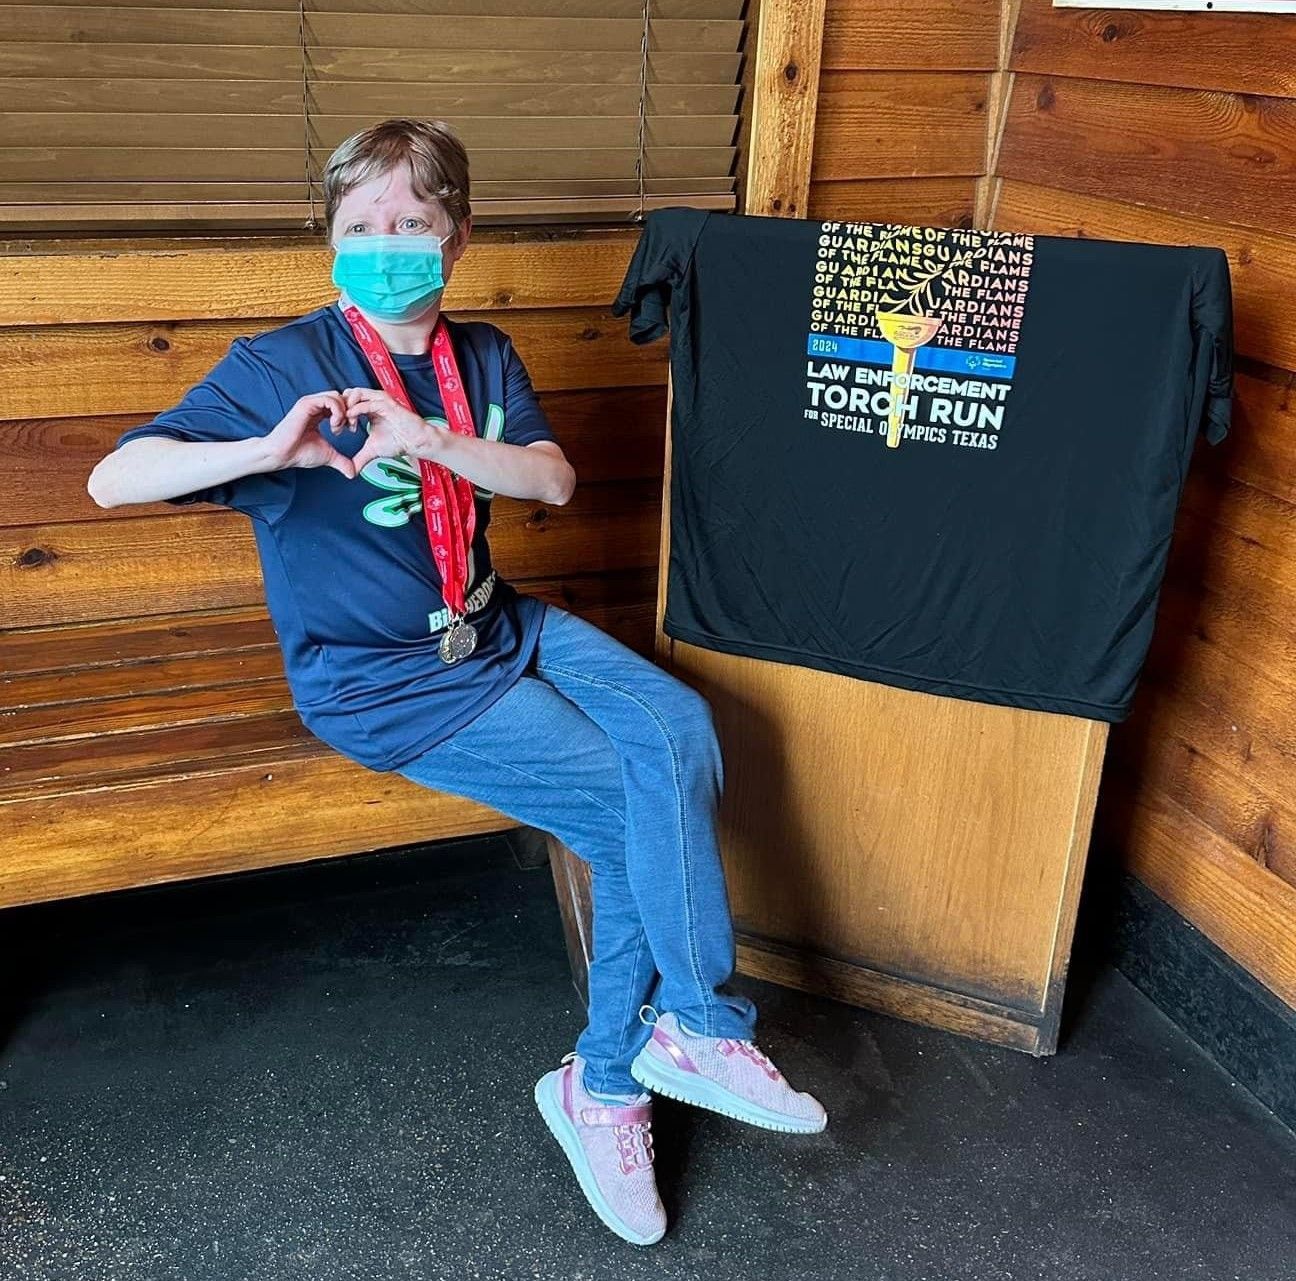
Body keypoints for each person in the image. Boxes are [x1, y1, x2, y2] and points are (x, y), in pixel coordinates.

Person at [87, 117, 826, 1247]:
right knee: (631, 807)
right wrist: (261, 451)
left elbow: (552, 479)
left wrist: (431, 437)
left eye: (414, 225)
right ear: (330, 242)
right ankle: (633, 1069)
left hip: (495, 627)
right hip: (388, 686)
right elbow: (112, 480)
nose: (389, 243)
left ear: (458, 236)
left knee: (678, 727)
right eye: (362, 227)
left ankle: (669, 1038)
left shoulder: (477, 357)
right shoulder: (282, 366)